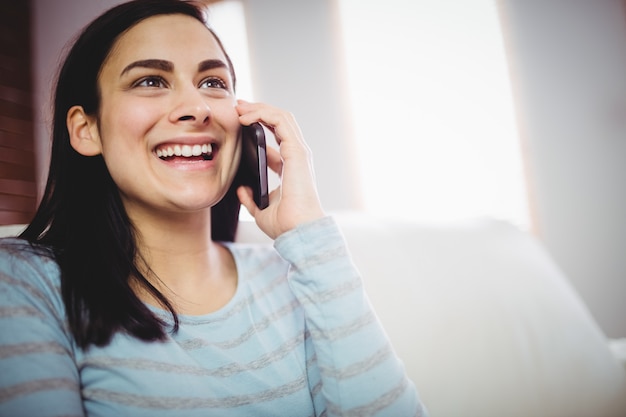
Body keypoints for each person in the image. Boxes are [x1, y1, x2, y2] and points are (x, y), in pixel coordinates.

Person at [0, 0, 428, 415]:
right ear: (86, 129)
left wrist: (310, 234)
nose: (197, 108)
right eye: (151, 80)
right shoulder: (23, 280)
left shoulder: (293, 279)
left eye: (213, 83)